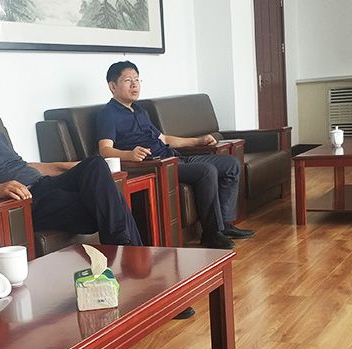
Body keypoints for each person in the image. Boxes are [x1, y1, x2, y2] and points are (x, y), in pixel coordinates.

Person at [0, 71, 195, 320]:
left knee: (95, 165)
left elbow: (25, 167)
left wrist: (70, 167)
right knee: (108, 207)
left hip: (46, 186)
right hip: (25, 202)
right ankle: (144, 282)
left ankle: (134, 276)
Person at [96, 61, 254, 249]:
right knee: (206, 171)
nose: (134, 85)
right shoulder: (107, 114)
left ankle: (224, 225)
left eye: (137, 80)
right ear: (112, 86)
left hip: (175, 157)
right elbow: (104, 149)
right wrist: (129, 154)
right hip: (158, 166)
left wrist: (198, 141)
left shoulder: (140, 111)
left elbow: (163, 138)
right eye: (128, 80)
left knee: (230, 164)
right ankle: (211, 233)